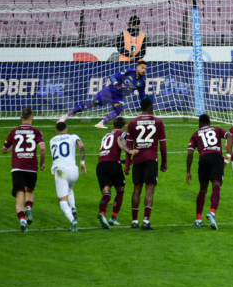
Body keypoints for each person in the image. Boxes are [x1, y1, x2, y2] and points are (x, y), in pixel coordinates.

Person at [59, 60, 148, 129]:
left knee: (119, 109)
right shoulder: (129, 72)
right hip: (109, 91)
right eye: (142, 67)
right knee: (90, 104)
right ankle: (66, 116)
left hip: (118, 97)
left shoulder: (141, 83)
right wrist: (115, 83)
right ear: (137, 67)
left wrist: (145, 105)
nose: (143, 70)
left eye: (145, 69)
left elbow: (142, 96)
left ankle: (101, 123)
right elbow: (112, 77)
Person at [125, 98, 167, 230]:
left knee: (136, 189)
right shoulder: (158, 122)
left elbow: (129, 146)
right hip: (150, 159)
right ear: (151, 107)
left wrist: (127, 165)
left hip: (137, 158)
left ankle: (134, 222)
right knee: (150, 190)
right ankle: (146, 221)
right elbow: (163, 145)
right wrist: (164, 163)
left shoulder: (132, 122)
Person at [2, 107, 46, 232]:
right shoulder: (37, 132)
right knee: (30, 191)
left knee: (19, 196)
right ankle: (28, 207)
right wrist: (42, 162)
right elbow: (42, 148)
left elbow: (4, 150)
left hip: (17, 168)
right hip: (32, 167)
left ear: (20, 118)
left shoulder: (14, 131)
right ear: (32, 118)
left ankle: (22, 220)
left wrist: (12, 148)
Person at [186, 114, 233, 230]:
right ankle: (212, 212)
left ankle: (198, 219)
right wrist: (228, 155)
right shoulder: (217, 129)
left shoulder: (195, 135)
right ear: (209, 122)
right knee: (216, 186)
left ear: (199, 123)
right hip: (216, 158)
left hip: (203, 159)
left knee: (202, 189)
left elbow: (190, 153)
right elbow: (230, 135)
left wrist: (188, 171)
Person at [96, 116, 138, 229]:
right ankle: (113, 218)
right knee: (120, 191)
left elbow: (109, 153)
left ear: (112, 126)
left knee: (106, 193)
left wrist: (122, 161)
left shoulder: (106, 135)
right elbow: (120, 142)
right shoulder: (120, 134)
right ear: (124, 127)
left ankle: (103, 213)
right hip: (113, 166)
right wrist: (130, 150)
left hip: (101, 166)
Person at [49, 122, 86, 231]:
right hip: (74, 171)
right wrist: (83, 162)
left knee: (62, 201)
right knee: (69, 188)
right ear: (67, 130)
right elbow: (81, 145)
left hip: (60, 171)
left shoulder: (52, 140)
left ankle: (72, 220)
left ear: (56, 132)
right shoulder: (73, 136)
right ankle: (73, 207)